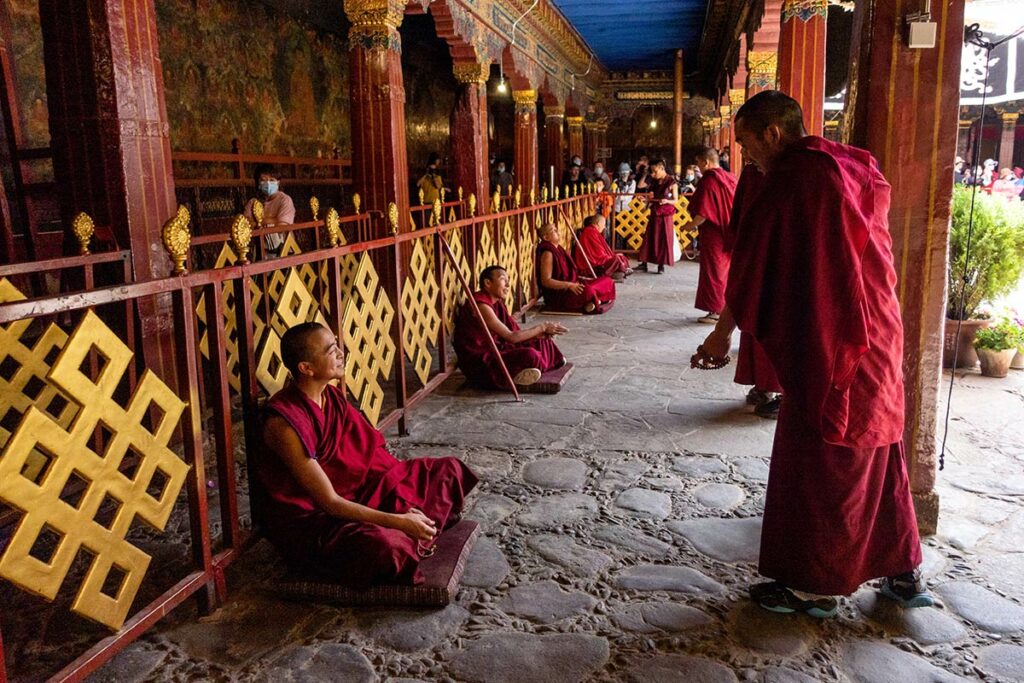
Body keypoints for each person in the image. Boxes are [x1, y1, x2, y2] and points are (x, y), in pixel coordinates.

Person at [694, 90, 930, 617]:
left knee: (826, 453)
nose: (747, 157)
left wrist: (722, 334)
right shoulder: (851, 163)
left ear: (772, 134)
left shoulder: (796, 177)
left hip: (837, 338)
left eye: (747, 144)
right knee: (880, 446)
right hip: (879, 328)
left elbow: (755, 264)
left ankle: (812, 585)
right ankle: (901, 570)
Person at [258, 323, 478, 586]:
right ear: (306, 368)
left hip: (365, 491)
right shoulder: (284, 425)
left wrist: (404, 498)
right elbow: (329, 502)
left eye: (337, 346)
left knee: (448, 471)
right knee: (386, 548)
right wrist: (397, 521)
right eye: (331, 351)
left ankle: (415, 533)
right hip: (321, 520)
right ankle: (414, 534)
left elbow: (375, 457)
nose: (341, 353)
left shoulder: (332, 398)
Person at [725, 164, 784, 419]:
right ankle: (763, 384)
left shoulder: (797, 171)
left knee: (780, 328)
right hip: (758, 255)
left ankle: (784, 394)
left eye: (746, 143)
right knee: (756, 326)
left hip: (785, 261)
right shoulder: (753, 171)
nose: (745, 152)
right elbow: (743, 216)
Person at [453, 265, 567, 388]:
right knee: (530, 355)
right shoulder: (481, 306)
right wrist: (541, 327)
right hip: (482, 359)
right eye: (503, 280)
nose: (508, 285)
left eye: (508, 281)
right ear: (487, 283)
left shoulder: (497, 303)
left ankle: (528, 371)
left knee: (542, 342)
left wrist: (538, 334)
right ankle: (529, 369)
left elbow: (515, 333)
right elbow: (511, 337)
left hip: (500, 346)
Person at [685, 147, 738, 324]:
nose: (698, 168)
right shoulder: (730, 177)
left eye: (699, 164)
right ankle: (725, 308)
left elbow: (703, 213)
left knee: (713, 272)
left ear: (706, 162)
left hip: (713, 234)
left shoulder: (709, 181)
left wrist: (689, 226)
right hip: (728, 230)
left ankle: (716, 310)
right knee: (724, 271)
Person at [537, 222, 616, 313]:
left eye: (556, 229)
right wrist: (569, 285)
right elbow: (546, 281)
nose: (558, 232)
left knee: (608, 281)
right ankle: (595, 300)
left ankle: (593, 302)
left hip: (572, 284)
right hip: (561, 294)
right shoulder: (548, 253)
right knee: (588, 291)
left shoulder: (558, 249)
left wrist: (574, 283)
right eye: (554, 231)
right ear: (546, 237)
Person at [244, 164, 295, 258]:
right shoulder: (253, 202)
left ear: (278, 182)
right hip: (259, 251)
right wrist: (273, 220)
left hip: (283, 250)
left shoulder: (285, 200)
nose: (268, 183)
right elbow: (246, 225)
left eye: (272, 180)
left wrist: (259, 221)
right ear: (258, 183)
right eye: (263, 180)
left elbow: (282, 225)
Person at [636, 159, 677, 274]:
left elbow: (676, 200)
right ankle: (644, 263)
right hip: (655, 211)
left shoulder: (671, 182)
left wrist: (667, 201)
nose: (653, 174)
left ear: (661, 168)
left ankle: (661, 265)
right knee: (649, 237)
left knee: (663, 240)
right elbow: (650, 195)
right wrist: (645, 199)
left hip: (666, 214)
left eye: (655, 171)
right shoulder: (654, 181)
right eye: (652, 172)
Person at [574, 214, 632, 281]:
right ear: (598, 223)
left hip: (599, 261)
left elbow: (602, 250)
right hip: (591, 267)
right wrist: (612, 257)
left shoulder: (593, 231)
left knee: (621, 257)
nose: (604, 227)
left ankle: (620, 271)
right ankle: (621, 270)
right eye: (604, 224)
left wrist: (613, 255)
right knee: (616, 259)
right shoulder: (590, 232)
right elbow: (598, 254)